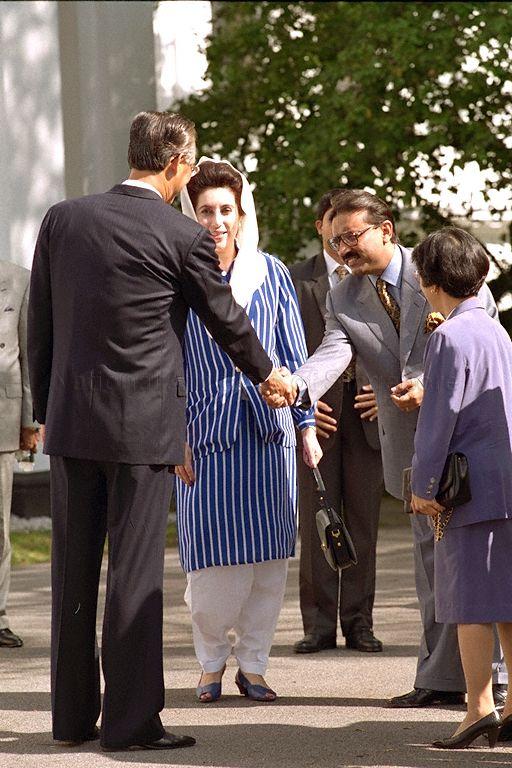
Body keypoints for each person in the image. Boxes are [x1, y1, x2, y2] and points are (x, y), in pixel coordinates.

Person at [27, 112, 292, 751]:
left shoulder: (63, 219)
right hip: (142, 430)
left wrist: (45, 409)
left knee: (72, 571)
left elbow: (40, 322)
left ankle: (68, 721)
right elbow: (227, 320)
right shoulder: (181, 234)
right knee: (134, 576)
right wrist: (270, 375)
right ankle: (130, 723)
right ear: (176, 165)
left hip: (71, 422)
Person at [262, 189, 508, 709]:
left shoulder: (443, 268)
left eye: (352, 236)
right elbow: (332, 352)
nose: (344, 249)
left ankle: (492, 685)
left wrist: (425, 382)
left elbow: (472, 326)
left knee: (483, 569)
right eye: (334, 241)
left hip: (467, 447)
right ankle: (441, 680)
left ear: (386, 231)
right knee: (431, 566)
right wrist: (298, 386)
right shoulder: (344, 296)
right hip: (407, 449)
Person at [175, 158, 322, 703]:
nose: (216, 221)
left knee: (268, 561)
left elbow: (293, 355)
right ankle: (211, 662)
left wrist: (305, 425)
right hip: (204, 434)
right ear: (191, 214)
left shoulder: (271, 273)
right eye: (205, 210)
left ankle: (254, 665)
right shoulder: (177, 275)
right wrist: (173, 434)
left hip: (269, 434)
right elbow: (168, 361)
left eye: (225, 210)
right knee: (209, 562)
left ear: (241, 215)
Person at [410, 227, 512, 749]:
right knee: (507, 599)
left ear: (431, 280)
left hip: (467, 484)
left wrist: (423, 485)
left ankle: (478, 707)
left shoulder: (448, 336)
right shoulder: (497, 330)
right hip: (506, 478)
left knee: (470, 602)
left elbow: (438, 418)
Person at [289, 191, 384, 655]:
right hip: (318, 417)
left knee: (364, 521)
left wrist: (383, 393)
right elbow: (286, 347)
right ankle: (319, 624)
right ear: (321, 227)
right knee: (318, 519)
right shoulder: (295, 279)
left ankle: (360, 623)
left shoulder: (373, 273)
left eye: (350, 231)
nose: (343, 238)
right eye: (334, 228)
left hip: (368, 413)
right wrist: (303, 406)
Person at [0, 260, 39, 649]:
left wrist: (30, 420)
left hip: (2, 418)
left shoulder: (18, 279)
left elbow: (28, 355)